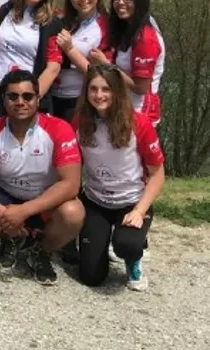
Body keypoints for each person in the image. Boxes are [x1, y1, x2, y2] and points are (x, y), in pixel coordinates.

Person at [0, 69, 85, 286]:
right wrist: (2, 213)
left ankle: (40, 250)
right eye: (13, 96)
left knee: (73, 213)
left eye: (27, 96)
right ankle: (15, 239)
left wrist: (24, 211)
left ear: (38, 99)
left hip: (44, 199)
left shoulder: (59, 129)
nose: (20, 102)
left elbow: (71, 184)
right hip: (7, 197)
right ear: (4, 100)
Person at [73, 65, 165, 291]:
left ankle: (134, 256)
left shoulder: (139, 123)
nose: (99, 95)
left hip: (130, 202)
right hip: (96, 201)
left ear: (117, 91)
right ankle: (100, 243)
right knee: (90, 277)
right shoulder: (79, 122)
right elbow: (72, 166)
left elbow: (157, 174)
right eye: (93, 89)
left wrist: (139, 211)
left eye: (106, 89)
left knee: (126, 245)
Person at [0, 0, 63, 115]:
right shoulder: (6, 10)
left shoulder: (52, 22)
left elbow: (53, 68)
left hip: (26, 96)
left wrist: (32, 98)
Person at [91, 0, 165, 126]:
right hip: (122, 106)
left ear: (140, 2)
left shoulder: (146, 39)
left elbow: (140, 88)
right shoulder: (129, 26)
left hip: (140, 112)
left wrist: (106, 64)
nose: (121, 3)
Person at [51, 0, 108, 121]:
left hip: (81, 99)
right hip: (51, 95)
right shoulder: (58, 19)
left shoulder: (106, 26)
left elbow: (103, 76)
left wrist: (70, 49)